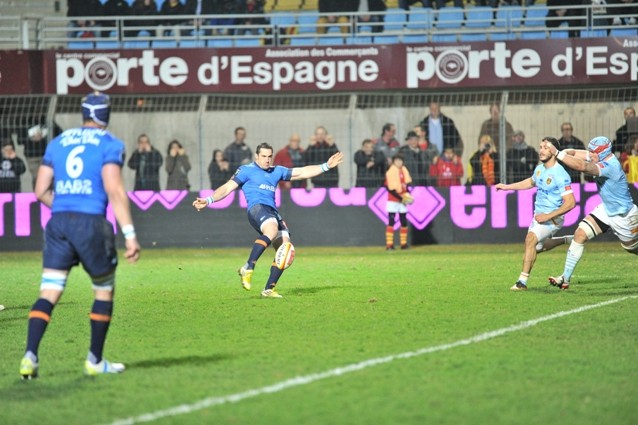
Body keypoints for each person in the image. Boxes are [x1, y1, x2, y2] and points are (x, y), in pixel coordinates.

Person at [19, 92, 141, 380]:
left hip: (58, 222)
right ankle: (95, 361)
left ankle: (30, 356)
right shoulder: (110, 143)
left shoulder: (58, 142)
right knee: (103, 289)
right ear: (105, 115)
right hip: (91, 225)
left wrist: (64, 205)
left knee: (49, 291)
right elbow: (114, 189)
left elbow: (39, 191)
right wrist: (130, 234)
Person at [192, 143, 344, 298]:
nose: (267, 160)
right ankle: (248, 266)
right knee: (271, 230)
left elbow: (302, 172)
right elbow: (226, 188)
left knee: (285, 249)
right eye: (263, 156)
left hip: (272, 211)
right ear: (256, 156)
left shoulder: (276, 171)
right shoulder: (246, 170)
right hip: (257, 208)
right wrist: (209, 200)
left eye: (269, 156)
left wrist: (326, 166)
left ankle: (268, 289)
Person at [545, 136, 638, 290]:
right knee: (580, 234)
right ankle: (565, 279)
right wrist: (563, 152)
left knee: (633, 250)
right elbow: (577, 153)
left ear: (602, 153)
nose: (590, 154)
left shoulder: (611, 165)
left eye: (593, 152)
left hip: (624, 216)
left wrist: (559, 154)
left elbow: (583, 167)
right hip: (606, 209)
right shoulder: (599, 155)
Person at [496, 137, 576, 291]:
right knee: (537, 247)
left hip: (552, 219)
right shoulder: (539, 169)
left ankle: (522, 282)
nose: (541, 150)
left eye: (546, 147)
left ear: (554, 151)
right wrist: (507, 187)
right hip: (539, 216)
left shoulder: (560, 174)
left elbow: (571, 202)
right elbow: (530, 182)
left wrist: (548, 216)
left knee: (530, 239)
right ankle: (567, 239)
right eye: (540, 147)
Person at [18, 122, 63, 190]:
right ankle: (37, 194)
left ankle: (49, 193)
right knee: (36, 177)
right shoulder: (26, 122)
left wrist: (45, 136)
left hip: (46, 154)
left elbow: (59, 133)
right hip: (32, 156)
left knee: (49, 176)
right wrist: (31, 138)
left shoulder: (47, 120)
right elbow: (20, 140)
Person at [384, 154, 413, 251]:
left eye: (400, 161)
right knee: (391, 221)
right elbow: (390, 188)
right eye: (397, 161)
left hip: (402, 199)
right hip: (393, 200)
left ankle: (403, 244)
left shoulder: (404, 170)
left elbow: (406, 185)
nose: (399, 163)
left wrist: (408, 194)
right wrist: (401, 198)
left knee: (403, 221)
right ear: (393, 162)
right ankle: (389, 244)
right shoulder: (390, 172)